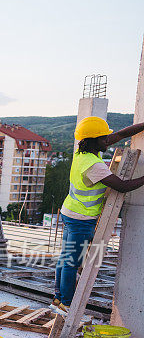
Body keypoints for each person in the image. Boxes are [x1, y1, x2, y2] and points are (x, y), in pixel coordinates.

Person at [53, 116, 144, 310]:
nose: (107, 140)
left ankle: (58, 297)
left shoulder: (83, 152)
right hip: (81, 219)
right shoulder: (94, 166)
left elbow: (120, 134)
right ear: (94, 140)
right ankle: (66, 304)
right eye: (104, 138)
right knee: (72, 262)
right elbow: (122, 186)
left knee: (65, 258)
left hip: (70, 212)